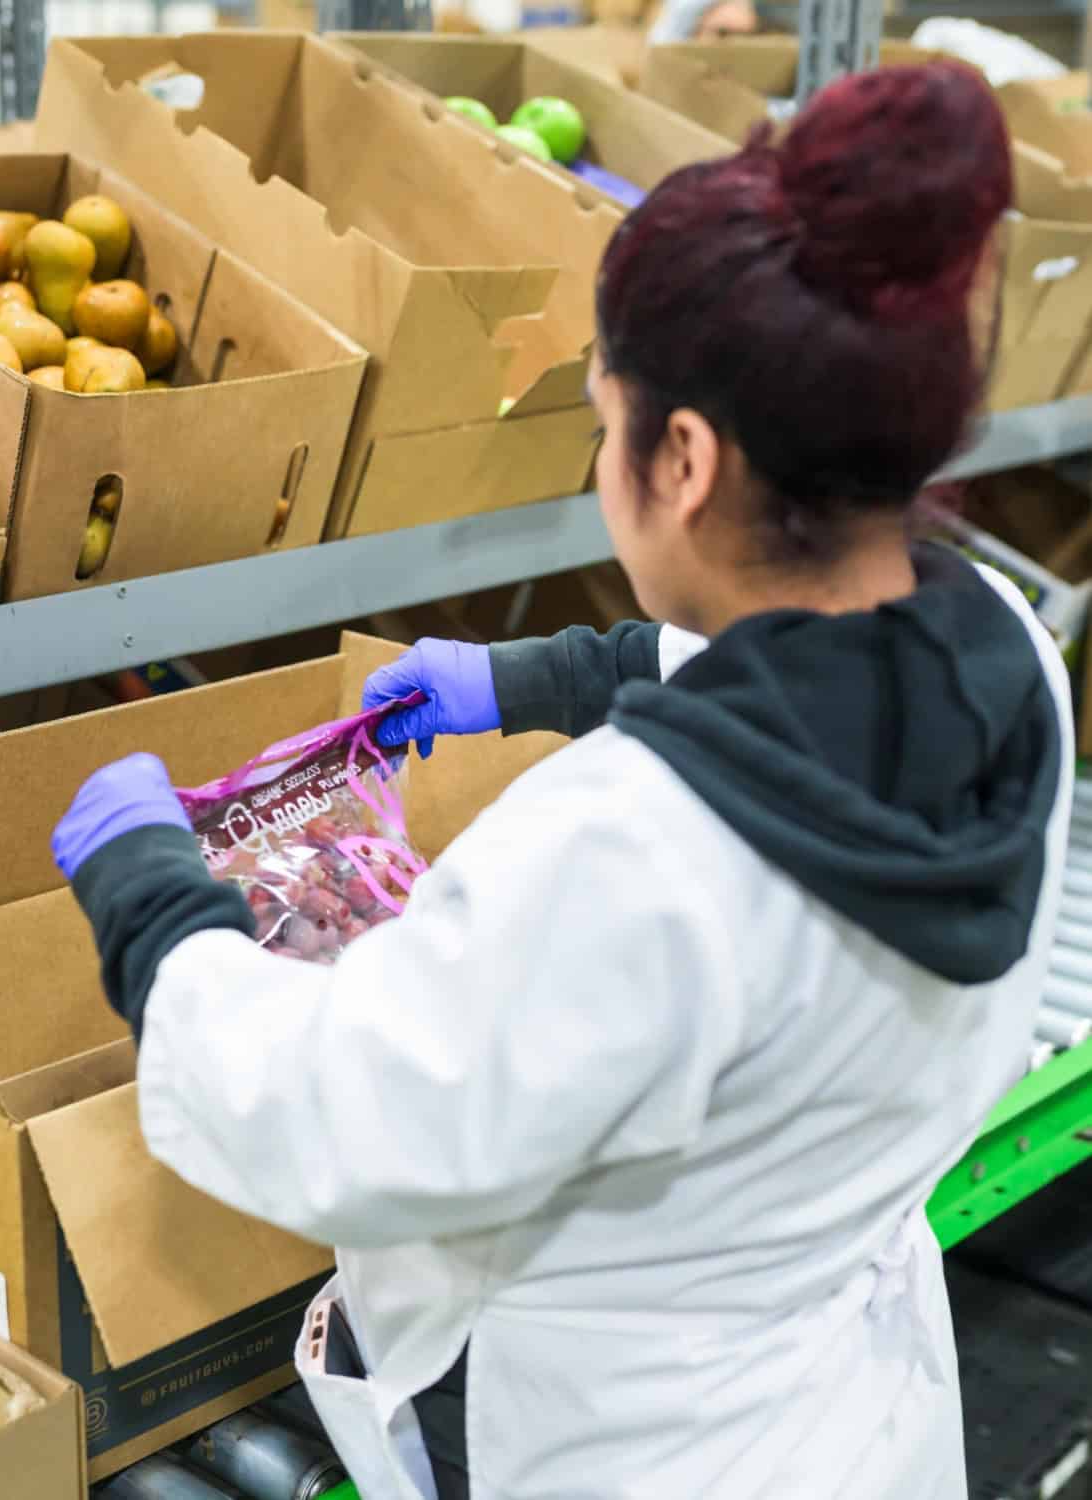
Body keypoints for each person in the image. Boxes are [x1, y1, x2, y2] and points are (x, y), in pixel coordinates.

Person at [52, 65, 1072, 1500]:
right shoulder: (1000, 655)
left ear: (686, 457)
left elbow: (340, 1122)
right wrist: (535, 681)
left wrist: (149, 895)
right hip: (837, 1398)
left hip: (624, 1444)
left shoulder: (631, 851)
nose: (598, 460)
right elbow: (775, 674)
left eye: (602, 423)